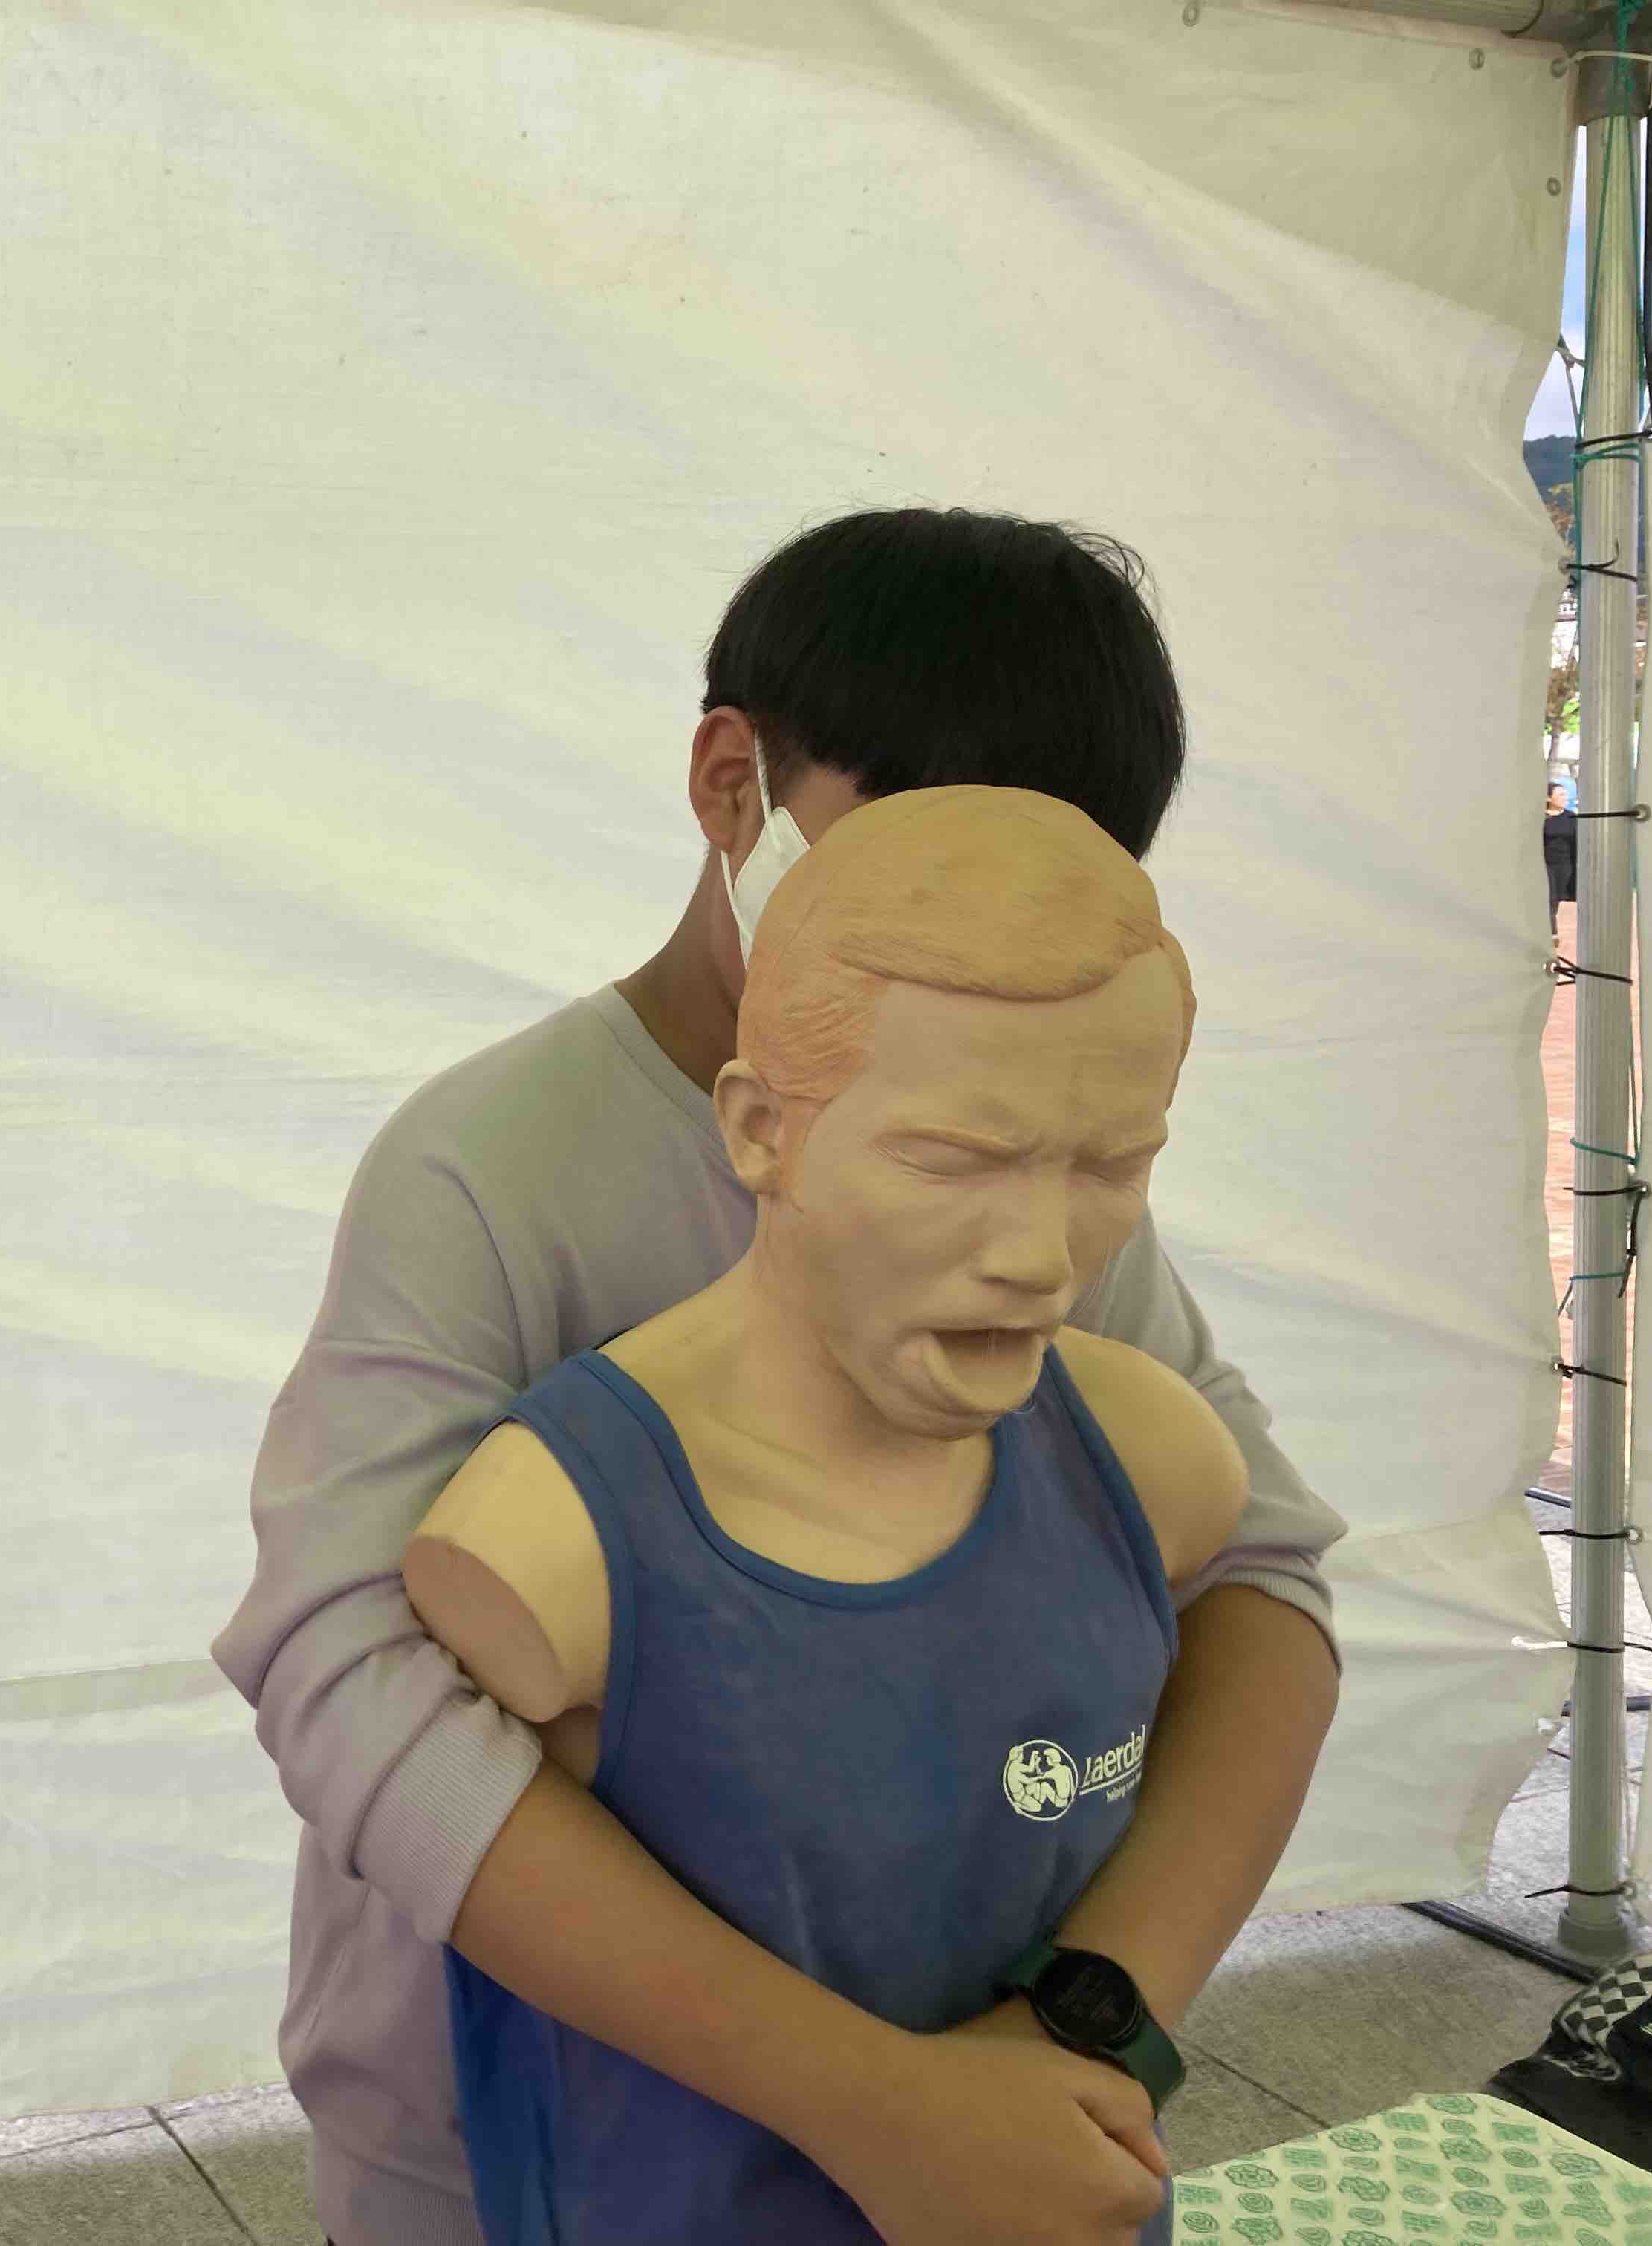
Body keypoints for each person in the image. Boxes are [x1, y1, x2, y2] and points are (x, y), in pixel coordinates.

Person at [213, 510, 1348, 2246]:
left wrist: (1087, 2021)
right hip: (510, 2141)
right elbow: (348, 1671)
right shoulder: (492, 1171)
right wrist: (860, 2096)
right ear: (732, 782)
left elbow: (1261, 1577)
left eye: (1062, 880)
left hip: (975, 2083)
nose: (1030, 1244)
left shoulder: (1041, 1199)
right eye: (923, 857)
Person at [406, 787, 1235, 2244]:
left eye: (1112, 1165)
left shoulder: (1155, 1457)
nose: (1042, 1254)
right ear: (760, 1129)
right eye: (953, 1159)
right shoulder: (553, 1539)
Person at [1545, 781, 1579, 940]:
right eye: (1560, 795)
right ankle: (1552, 934)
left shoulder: (1571, 817)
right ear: (1549, 798)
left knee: (1557, 899)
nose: (1565, 798)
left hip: (1566, 866)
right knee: (1550, 899)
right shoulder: (1541, 818)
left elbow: (1577, 842)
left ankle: (1549, 929)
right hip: (1546, 865)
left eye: (1565, 794)